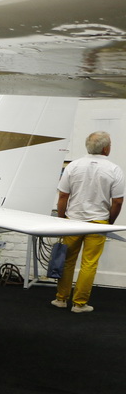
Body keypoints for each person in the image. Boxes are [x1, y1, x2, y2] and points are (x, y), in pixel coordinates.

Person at [52, 130, 125, 313]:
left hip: (72, 221)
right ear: (106, 148)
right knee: (89, 263)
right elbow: (117, 201)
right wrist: (109, 222)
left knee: (67, 261)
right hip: (98, 222)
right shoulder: (114, 170)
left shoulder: (73, 166)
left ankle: (61, 299)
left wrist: (61, 220)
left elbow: (63, 196)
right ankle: (79, 304)